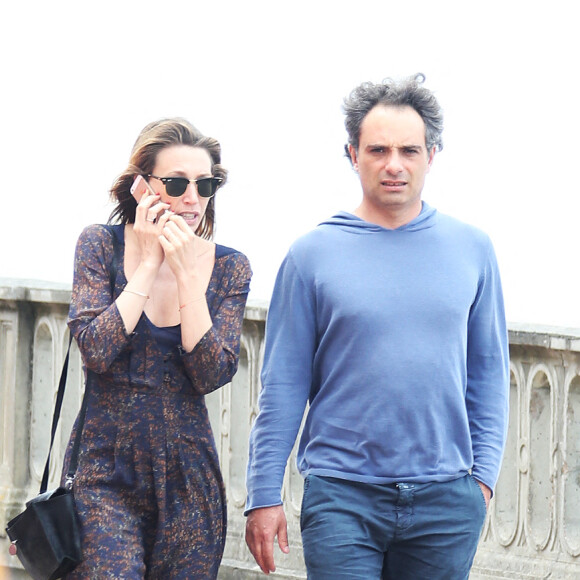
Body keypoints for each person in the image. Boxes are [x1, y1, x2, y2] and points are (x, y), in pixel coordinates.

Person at [245, 74, 509, 579]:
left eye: (409, 150)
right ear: (352, 153)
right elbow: (282, 386)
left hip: (447, 501)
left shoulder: (473, 249)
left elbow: (490, 373)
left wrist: (482, 483)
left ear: (432, 154)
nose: (394, 165)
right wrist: (263, 495)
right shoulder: (311, 255)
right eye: (378, 149)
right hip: (341, 496)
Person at [62, 118, 252, 579]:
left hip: (189, 476)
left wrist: (187, 273)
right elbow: (96, 350)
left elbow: (210, 374)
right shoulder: (99, 246)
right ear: (142, 185)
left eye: (205, 184)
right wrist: (148, 265)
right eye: (176, 183)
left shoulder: (229, 268)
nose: (192, 198)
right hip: (103, 470)